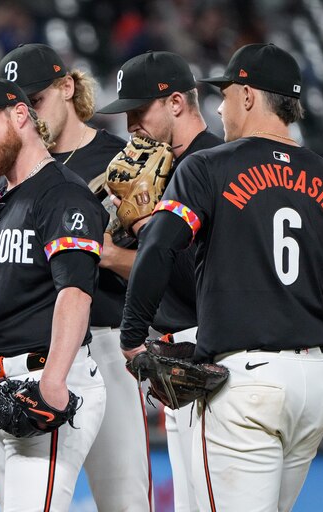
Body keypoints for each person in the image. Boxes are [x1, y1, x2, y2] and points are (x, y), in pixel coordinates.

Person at [121, 43, 323, 511]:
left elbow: (159, 247)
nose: (220, 107)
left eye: (225, 95)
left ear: (248, 95)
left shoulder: (209, 165)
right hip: (315, 388)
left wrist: (131, 336)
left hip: (245, 386)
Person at [0, 77, 108, 511]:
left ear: (19, 115)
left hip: (43, 379)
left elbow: (75, 293)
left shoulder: (61, 192)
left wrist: (52, 378)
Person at [0, 42, 151, 511]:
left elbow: (165, 266)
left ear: (68, 87)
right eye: (17, 106)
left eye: (36, 100)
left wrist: (103, 253)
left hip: (103, 341)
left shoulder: (121, 160)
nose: (29, 115)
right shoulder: (5, 172)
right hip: (25, 354)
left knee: (124, 500)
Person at [97, 50, 223, 512]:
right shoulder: (160, 169)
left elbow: (208, 277)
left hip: (209, 352)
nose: (130, 124)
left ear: (175, 103)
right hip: (172, 355)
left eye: (139, 111)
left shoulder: (214, 163)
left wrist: (149, 231)